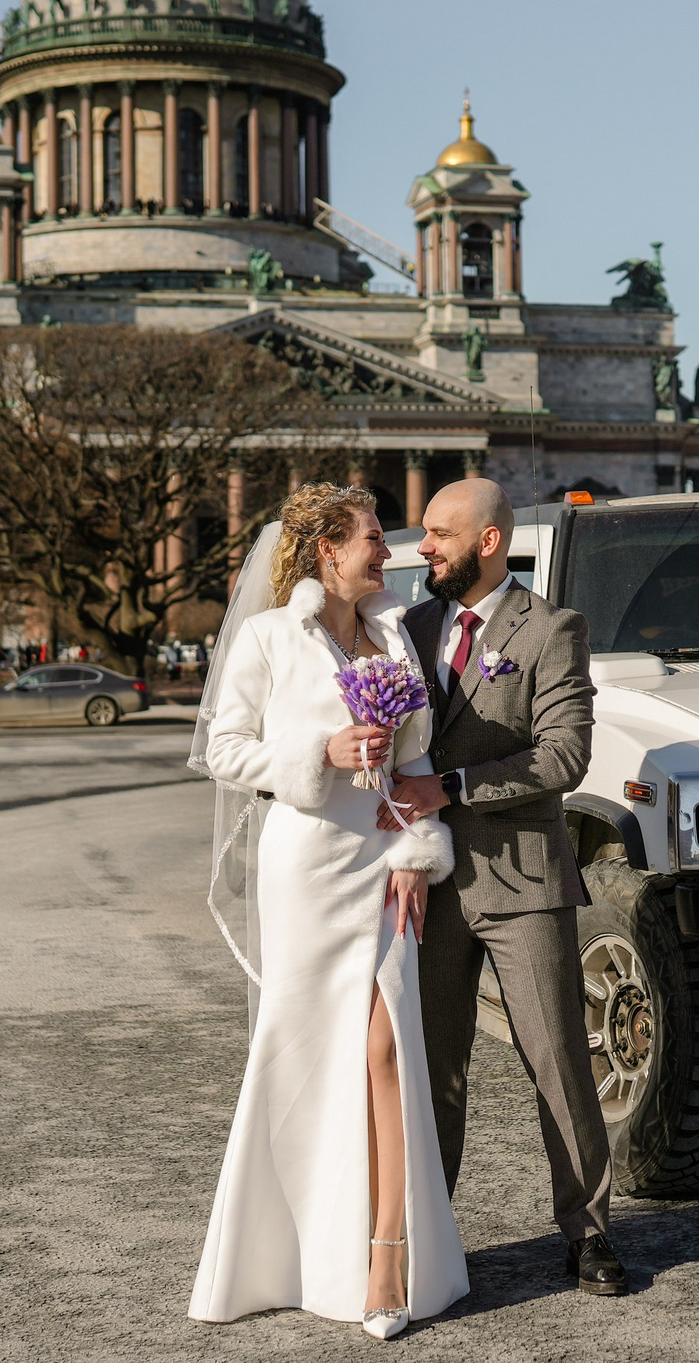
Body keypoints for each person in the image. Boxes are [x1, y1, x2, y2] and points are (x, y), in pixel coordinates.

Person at [190, 485, 468, 1340]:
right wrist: (321, 749)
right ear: (326, 551)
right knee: (306, 1054)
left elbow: (418, 755)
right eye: (373, 540)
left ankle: (387, 1259)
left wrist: (420, 856)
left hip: (384, 865)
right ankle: (285, 1252)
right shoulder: (271, 637)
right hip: (306, 866)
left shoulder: (392, 633)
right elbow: (224, 749)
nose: (389, 551)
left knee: (388, 1050)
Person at [389, 478, 625, 1297]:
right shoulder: (408, 628)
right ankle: (428, 1242)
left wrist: (451, 785)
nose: (423, 549)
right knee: (431, 1071)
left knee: (558, 1060)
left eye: (438, 535)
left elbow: (564, 757)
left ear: (487, 542)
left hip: (522, 881)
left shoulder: (553, 628)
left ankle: (590, 1235)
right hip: (423, 886)